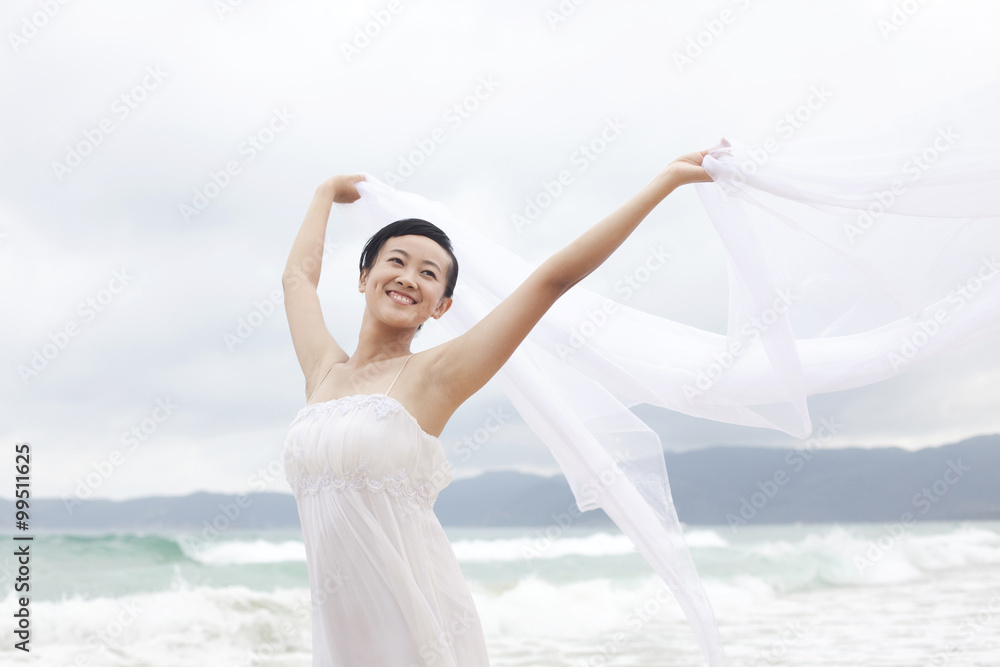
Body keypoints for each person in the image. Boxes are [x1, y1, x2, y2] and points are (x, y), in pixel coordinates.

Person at [280, 149, 714, 666]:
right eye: (396, 261)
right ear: (364, 275)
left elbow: (552, 279)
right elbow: (296, 282)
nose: (408, 277)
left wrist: (664, 182)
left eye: (428, 273)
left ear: (441, 305)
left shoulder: (437, 376)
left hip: (416, 623)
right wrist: (324, 193)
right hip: (340, 632)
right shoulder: (324, 371)